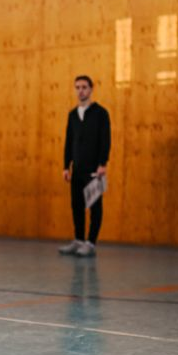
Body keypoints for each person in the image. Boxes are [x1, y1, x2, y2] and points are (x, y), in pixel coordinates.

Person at [58, 75, 111, 257]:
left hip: (94, 170)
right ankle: (79, 239)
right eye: (77, 87)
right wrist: (66, 166)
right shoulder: (72, 115)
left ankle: (91, 242)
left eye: (84, 87)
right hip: (77, 170)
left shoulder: (101, 114)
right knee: (77, 205)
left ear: (91, 89)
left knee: (94, 206)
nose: (81, 91)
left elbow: (106, 140)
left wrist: (103, 163)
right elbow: (69, 142)